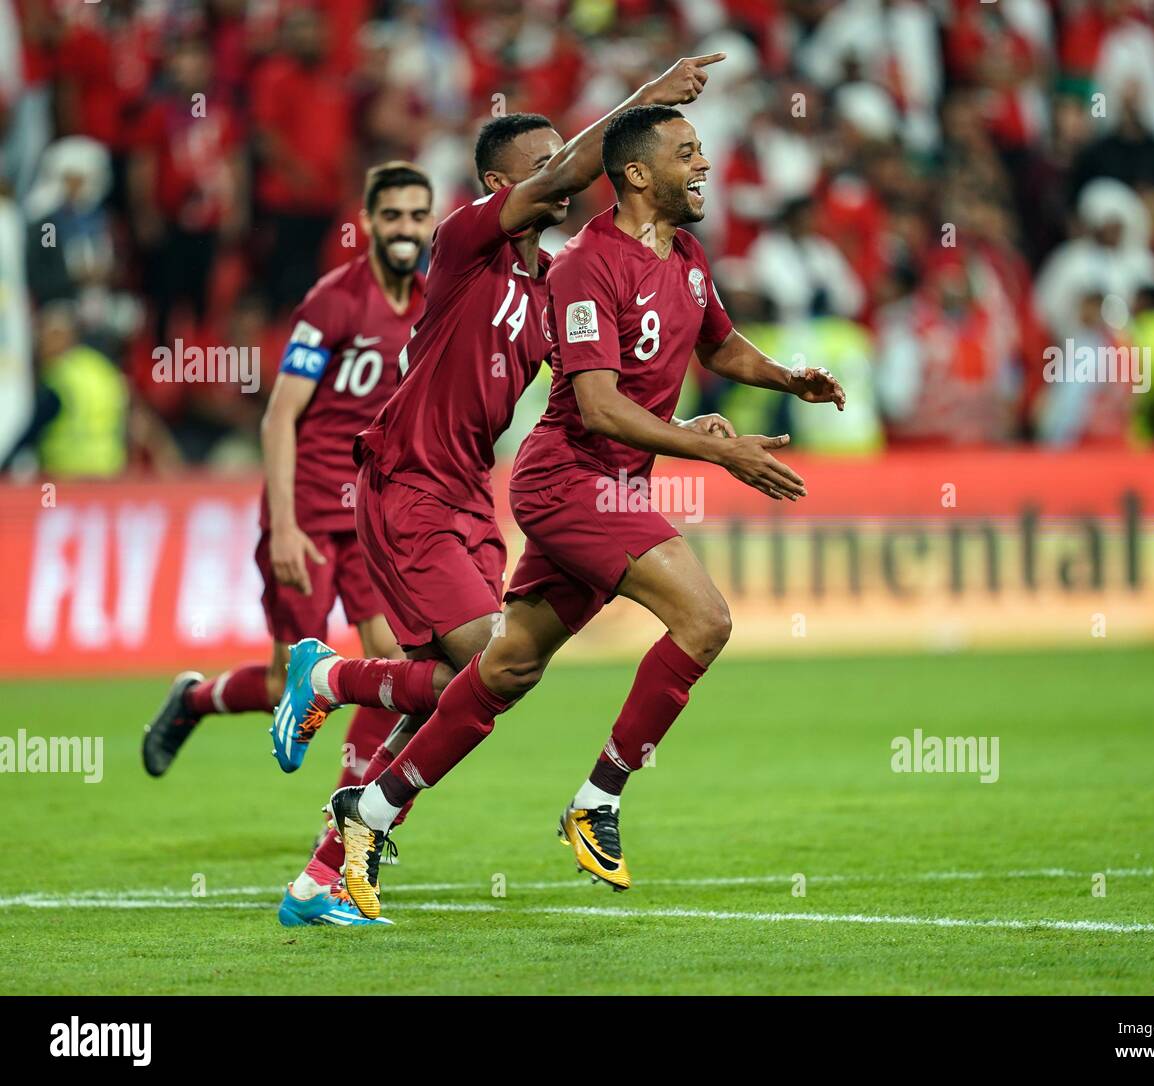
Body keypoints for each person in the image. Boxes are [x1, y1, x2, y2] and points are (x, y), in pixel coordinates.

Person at [325, 105, 845, 919]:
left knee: (503, 670)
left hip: (611, 484)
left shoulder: (688, 256)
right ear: (637, 173)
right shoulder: (584, 267)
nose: (704, 165)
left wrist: (787, 378)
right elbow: (598, 408)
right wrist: (715, 449)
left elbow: (719, 344)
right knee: (704, 620)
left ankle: (373, 808)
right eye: (687, 152)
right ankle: (598, 799)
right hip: (570, 480)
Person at [268, 58, 727, 926]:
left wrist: (689, 432)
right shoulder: (464, 242)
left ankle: (320, 874)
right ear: (498, 183)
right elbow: (570, 173)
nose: (563, 173)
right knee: (483, 666)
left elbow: (597, 391)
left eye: (567, 156)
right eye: (546, 162)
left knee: (490, 679)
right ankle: (325, 676)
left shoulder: (555, 281)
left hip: (473, 495)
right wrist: (648, 98)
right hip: (406, 484)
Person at [141, 162, 433, 927]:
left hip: (370, 517)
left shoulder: (430, 305)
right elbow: (279, 417)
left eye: (417, 216)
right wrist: (285, 524)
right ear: (368, 223)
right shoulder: (333, 302)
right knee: (289, 684)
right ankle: (196, 699)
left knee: (392, 671)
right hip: (303, 513)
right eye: (393, 216)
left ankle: (344, 833)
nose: (406, 229)